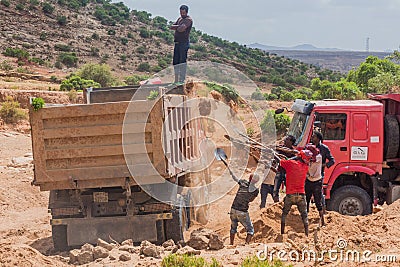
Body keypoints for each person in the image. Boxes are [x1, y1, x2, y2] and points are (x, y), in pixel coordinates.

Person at [279, 150, 312, 236]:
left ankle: (282, 233)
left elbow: (281, 162)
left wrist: (296, 156)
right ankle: (307, 233)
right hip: (301, 194)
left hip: (290, 194)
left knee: (284, 213)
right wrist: (298, 156)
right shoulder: (306, 167)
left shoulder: (291, 163)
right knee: (304, 215)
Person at [229, 172, 260, 245]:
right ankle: (246, 244)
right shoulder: (255, 190)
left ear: (249, 178)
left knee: (233, 228)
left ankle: (231, 244)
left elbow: (235, 178)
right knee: (250, 230)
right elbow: (251, 200)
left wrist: (231, 173)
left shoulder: (243, 182)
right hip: (242, 211)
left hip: (233, 209)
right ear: (256, 181)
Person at [311, 131, 335, 214]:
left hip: (319, 173)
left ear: (318, 138)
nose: (312, 138)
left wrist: (323, 165)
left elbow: (332, 160)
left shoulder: (324, 148)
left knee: (319, 191)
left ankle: (323, 208)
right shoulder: (310, 147)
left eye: (313, 137)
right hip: (309, 173)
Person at [170, 5, 193, 83]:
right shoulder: (180, 19)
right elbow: (172, 27)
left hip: (184, 43)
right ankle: (176, 80)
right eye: (181, 12)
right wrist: (179, 26)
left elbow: (181, 29)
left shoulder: (188, 20)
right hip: (177, 43)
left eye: (183, 12)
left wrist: (178, 27)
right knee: (175, 62)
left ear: (186, 12)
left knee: (182, 61)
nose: (182, 14)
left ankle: (181, 80)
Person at [304, 144, 325, 226]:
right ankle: (305, 219)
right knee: (307, 200)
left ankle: (322, 220)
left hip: (317, 182)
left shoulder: (318, 157)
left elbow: (312, 159)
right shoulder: (309, 157)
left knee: (318, 202)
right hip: (309, 180)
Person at [273, 135, 297, 202]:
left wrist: (287, 161)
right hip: (280, 171)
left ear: (291, 142)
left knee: (290, 190)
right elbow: (275, 156)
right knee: (275, 190)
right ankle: (276, 203)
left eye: (287, 139)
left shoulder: (294, 152)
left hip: (288, 174)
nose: (285, 140)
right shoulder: (280, 148)